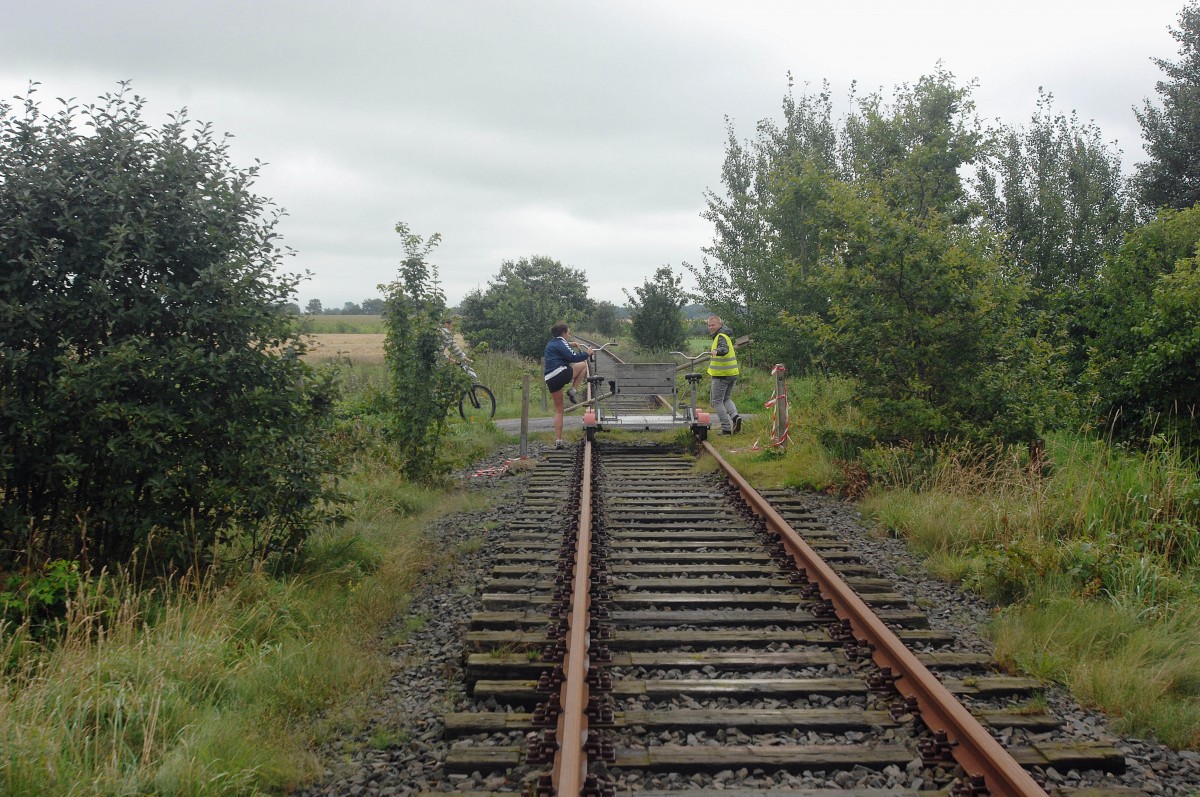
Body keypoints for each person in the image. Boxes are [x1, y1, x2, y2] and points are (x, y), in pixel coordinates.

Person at [543, 322, 593, 448]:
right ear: (563, 333)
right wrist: (588, 353)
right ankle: (573, 390)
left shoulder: (551, 343)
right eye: (568, 333)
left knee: (559, 410)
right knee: (582, 365)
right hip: (560, 373)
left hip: (550, 379)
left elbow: (562, 347)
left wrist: (571, 344)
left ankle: (558, 441)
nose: (569, 335)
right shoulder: (561, 342)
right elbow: (573, 357)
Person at [706, 315, 741, 435]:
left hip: (721, 375)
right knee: (726, 398)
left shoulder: (720, 337)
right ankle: (735, 417)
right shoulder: (725, 335)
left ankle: (726, 428)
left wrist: (717, 351)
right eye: (709, 325)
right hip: (732, 373)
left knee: (717, 401)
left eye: (713, 325)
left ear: (720, 325)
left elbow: (724, 349)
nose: (710, 327)